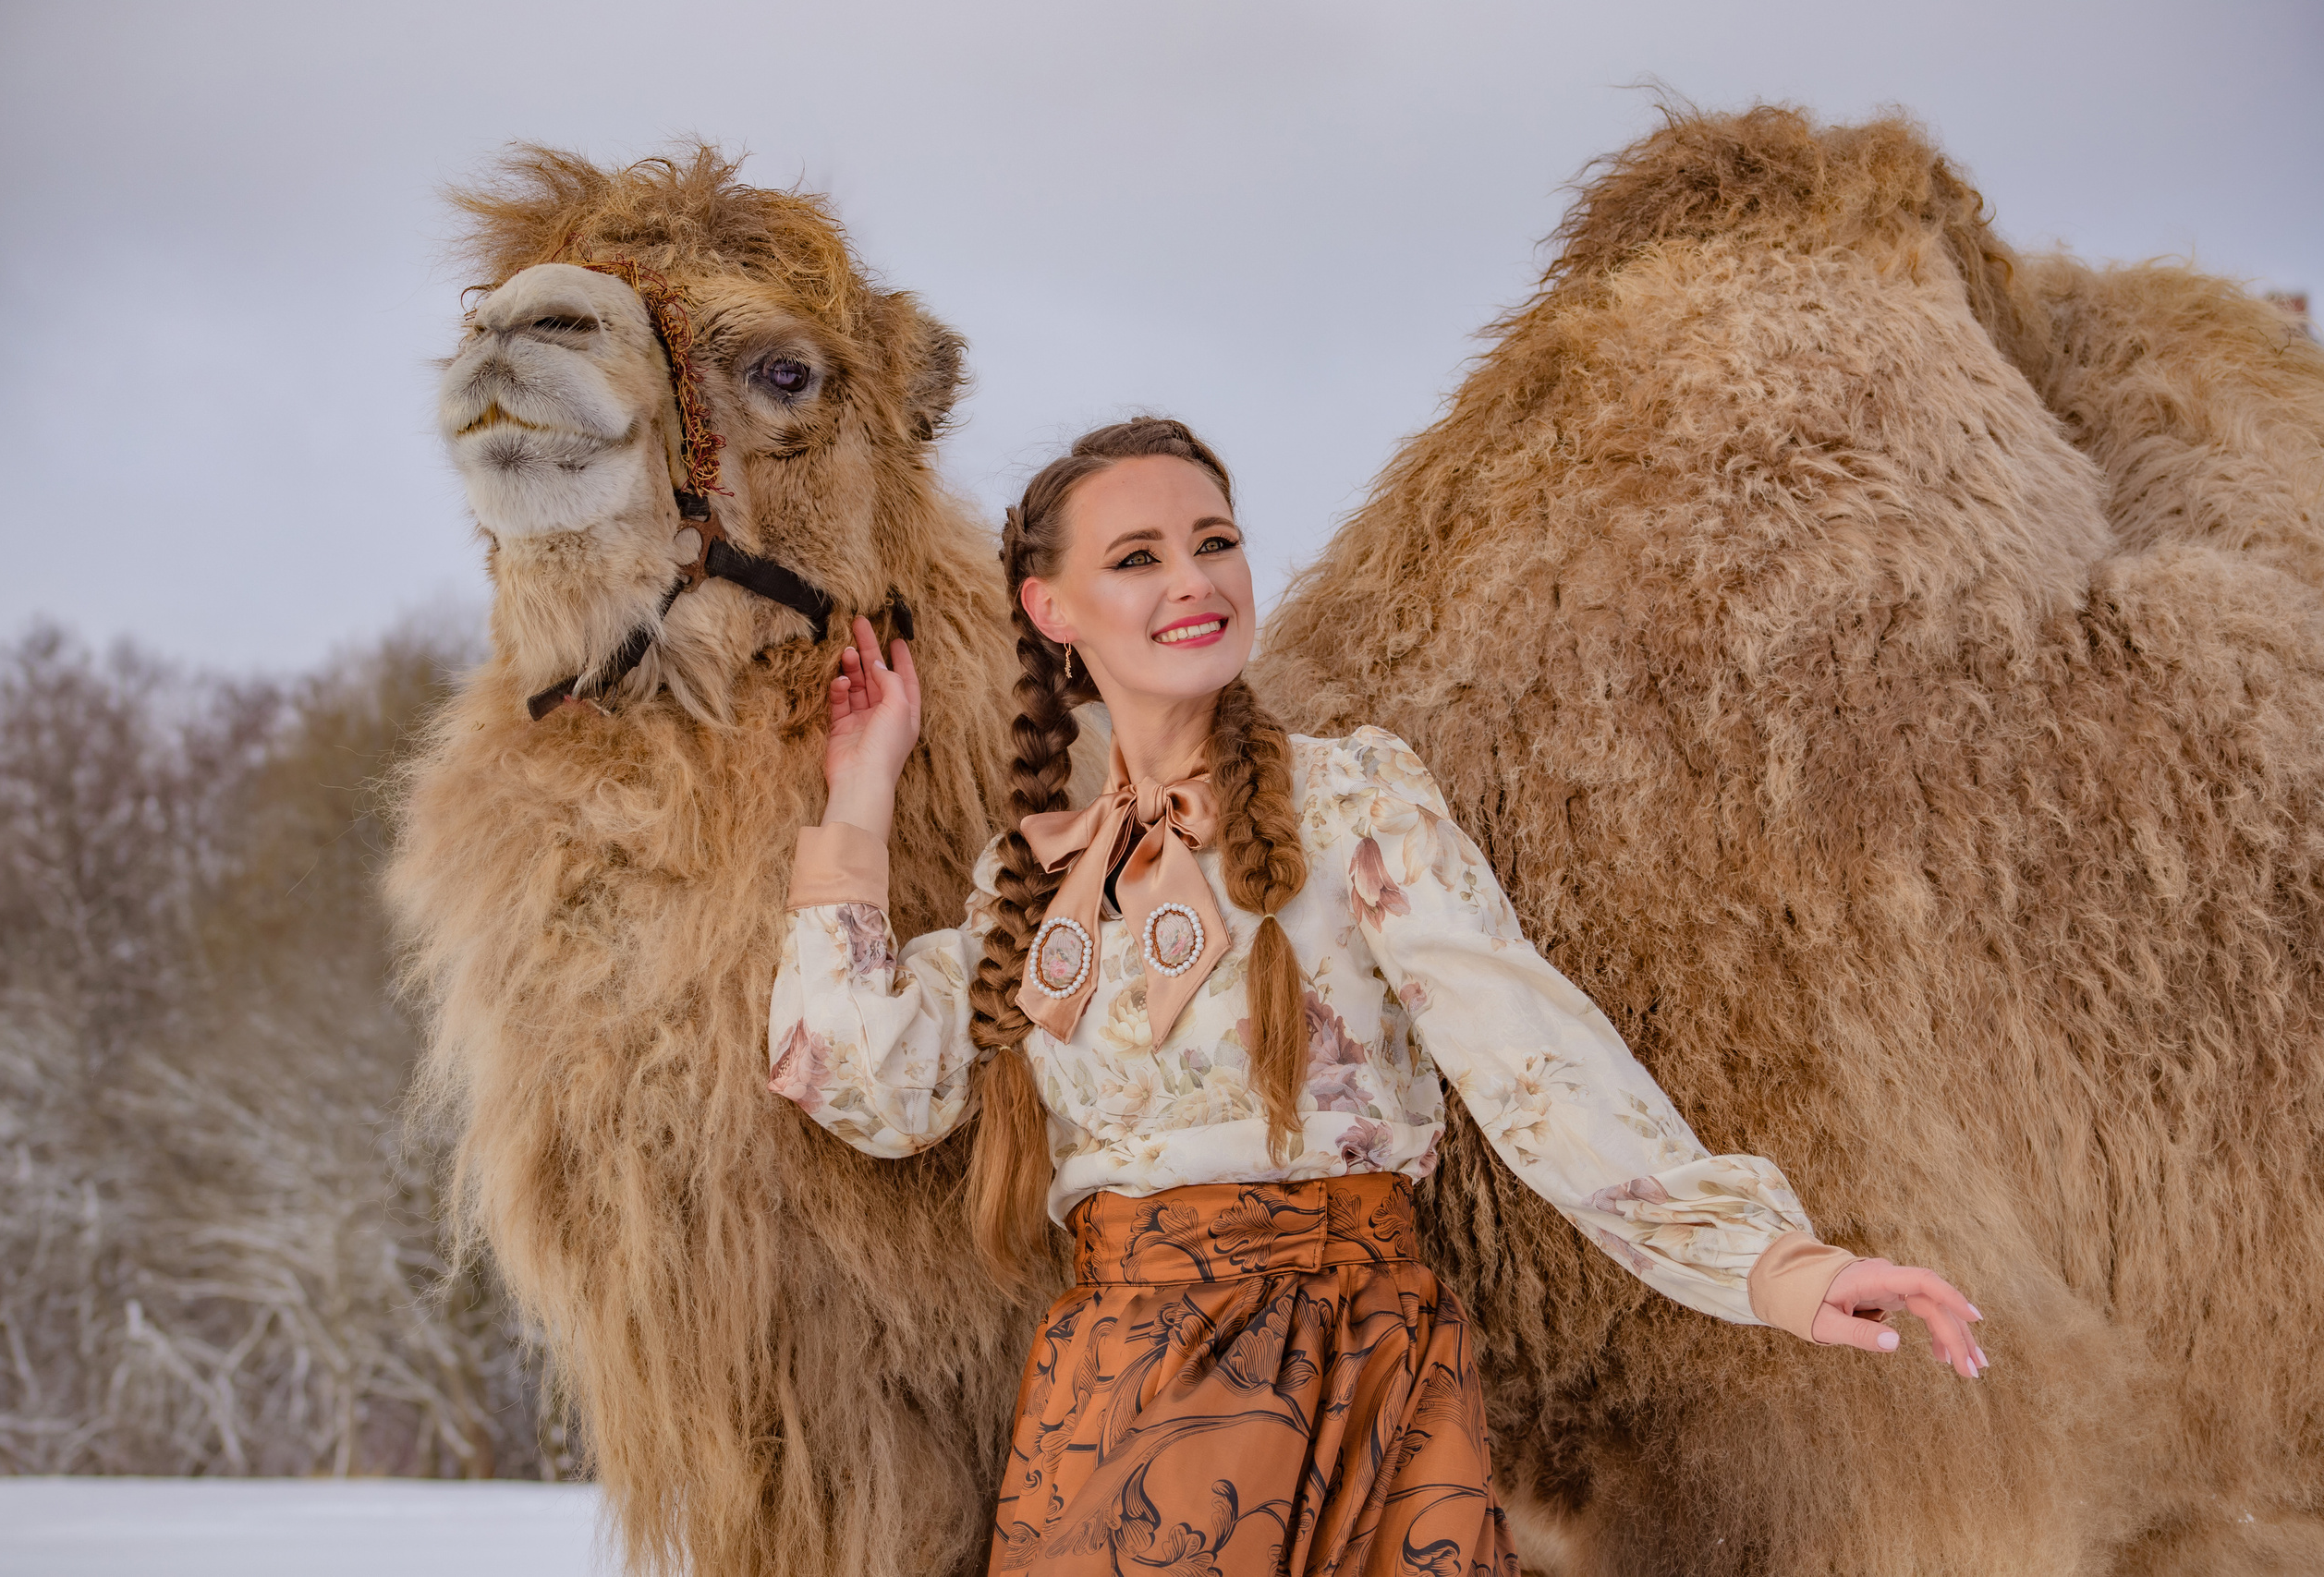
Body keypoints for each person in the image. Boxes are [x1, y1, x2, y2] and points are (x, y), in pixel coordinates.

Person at [769, 417, 1983, 1576]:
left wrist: (1772, 1267)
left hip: (1353, 1379)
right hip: (1113, 1415)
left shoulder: (1356, 803)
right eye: (1137, 558)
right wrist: (860, 789)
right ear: (1053, 611)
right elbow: (864, 1085)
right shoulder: (1036, 883)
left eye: (1216, 542)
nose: (1193, 581)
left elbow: (1535, 1058)